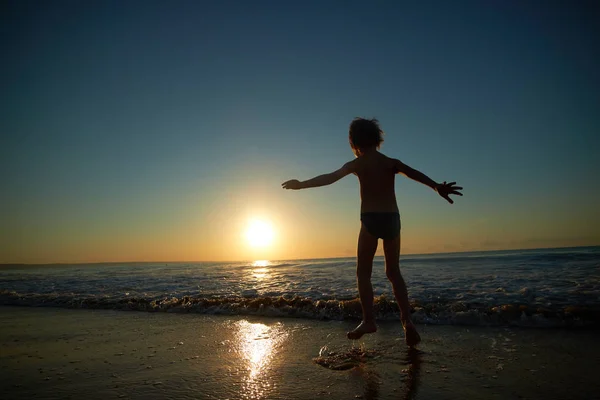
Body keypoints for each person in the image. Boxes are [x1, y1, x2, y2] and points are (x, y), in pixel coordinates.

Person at [282, 117, 462, 347]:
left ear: (354, 141)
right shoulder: (390, 162)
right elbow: (415, 173)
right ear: (377, 139)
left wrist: (301, 184)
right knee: (393, 272)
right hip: (392, 219)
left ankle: (369, 320)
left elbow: (330, 178)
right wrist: (436, 186)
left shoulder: (357, 164)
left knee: (363, 273)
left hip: (370, 220)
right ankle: (407, 322)